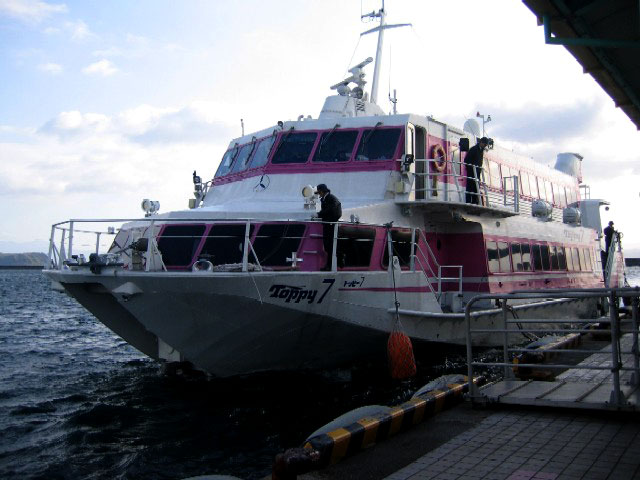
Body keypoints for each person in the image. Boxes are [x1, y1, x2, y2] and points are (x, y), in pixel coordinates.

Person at [315, 183, 342, 270]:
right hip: (327, 224)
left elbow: (332, 209)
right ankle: (330, 265)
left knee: (330, 246)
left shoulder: (331, 198)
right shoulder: (325, 199)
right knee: (327, 246)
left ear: (322, 191)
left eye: (319, 193)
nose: (319, 195)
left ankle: (332, 265)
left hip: (331, 225)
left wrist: (319, 214)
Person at [464, 137, 489, 205]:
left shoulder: (481, 151)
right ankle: (468, 202)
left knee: (476, 188)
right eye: (484, 144)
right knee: (470, 187)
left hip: (477, 173)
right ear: (481, 142)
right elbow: (466, 160)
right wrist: (471, 169)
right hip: (471, 172)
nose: (485, 146)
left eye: (485, 145)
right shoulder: (473, 149)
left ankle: (474, 202)